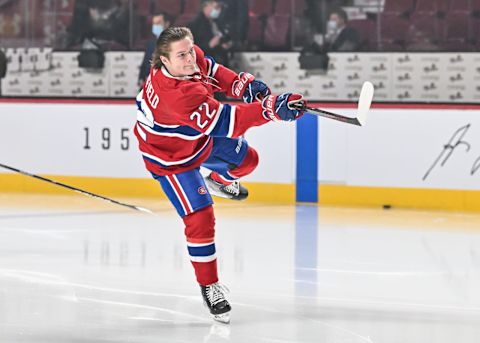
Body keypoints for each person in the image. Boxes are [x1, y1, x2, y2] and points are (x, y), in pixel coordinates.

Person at [134, 26, 305, 323]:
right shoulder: (174, 95)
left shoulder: (188, 58)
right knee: (200, 218)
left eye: (190, 50)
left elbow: (213, 70)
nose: (190, 59)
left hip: (197, 138)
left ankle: (219, 181)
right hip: (171, 160)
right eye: (182, 55)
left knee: (248, 160)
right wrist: (269, 109)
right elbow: (229, 121)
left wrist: (243, 84)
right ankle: (209, 286)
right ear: (163, 61)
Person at [187, 0, 232, 66]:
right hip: (205, 64)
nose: (219, 10)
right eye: (216, 7)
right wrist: (209, 45)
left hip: (220, 61)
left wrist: (224, 45)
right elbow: (190, 49)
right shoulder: (194, 24)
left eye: (220, 8)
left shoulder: (217, 22)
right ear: (206, 6)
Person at [138, 13, 172, 87]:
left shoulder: (173, 43)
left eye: (158, 23)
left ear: (166, 24)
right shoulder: (151, 43)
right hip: (149, 82)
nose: (155, 26)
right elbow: (145, 62)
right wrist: (141, 78)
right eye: (154, 23)